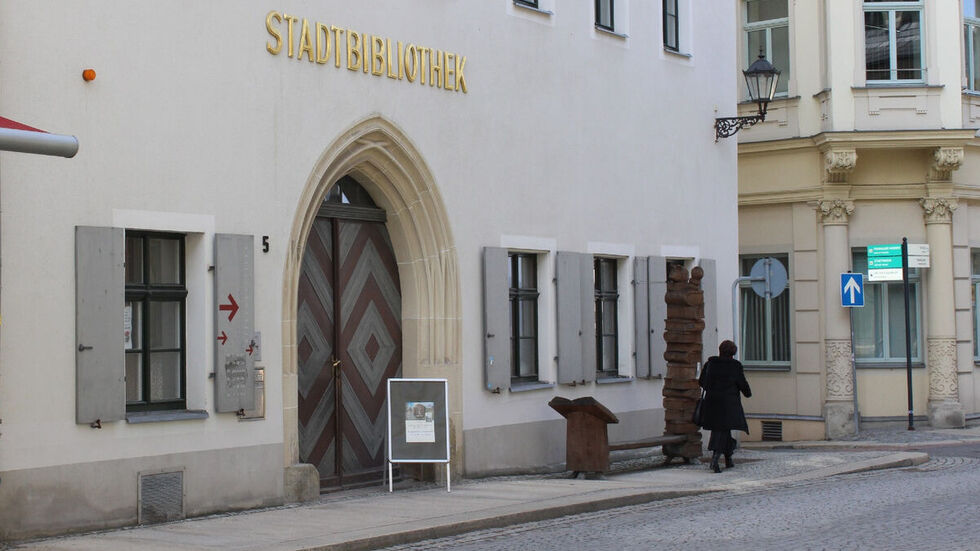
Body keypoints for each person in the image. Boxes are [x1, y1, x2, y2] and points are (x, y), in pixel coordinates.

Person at [698, 339, 752, 473]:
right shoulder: (735, 366)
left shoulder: (710, 364)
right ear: (733, 353)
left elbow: (702, 381)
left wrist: (713, 388)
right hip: (729, 404)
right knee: (723, 429)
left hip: (712, 403)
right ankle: (715, 459)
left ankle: (728, 459)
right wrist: (747, 393)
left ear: (720, 351)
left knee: (721, 429)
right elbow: (742, 383)